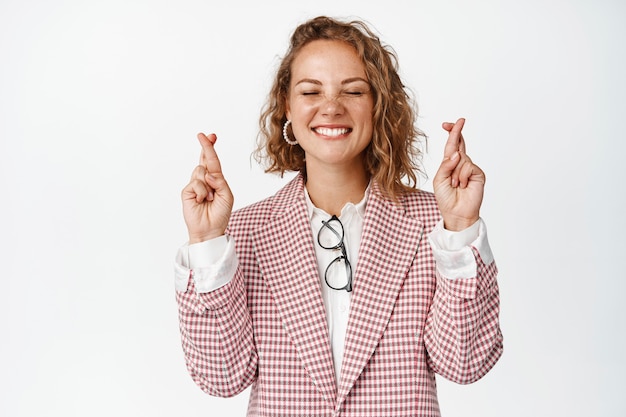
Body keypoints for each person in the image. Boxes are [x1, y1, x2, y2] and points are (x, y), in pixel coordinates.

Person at [174, 16, 502, 417]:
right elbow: (221, 377)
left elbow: (464, 364)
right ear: (287, 108)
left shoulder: (435, 223)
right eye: (311, 91)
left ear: (378, 105)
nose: (331, 107)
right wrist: (207, 243)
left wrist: (462, 228)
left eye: (353, 91)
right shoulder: (242, 233)